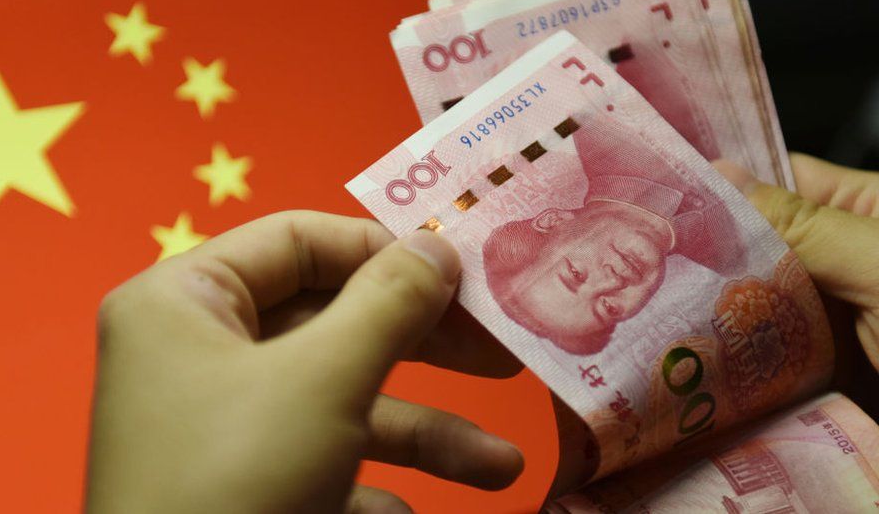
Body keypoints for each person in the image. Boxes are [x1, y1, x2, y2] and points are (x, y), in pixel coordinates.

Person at [86, 154, 879, 513]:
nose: (612, 288)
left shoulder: (606, 141)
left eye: (574, 279)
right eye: (607, 310)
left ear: (552, 220)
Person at [482, 121, 744, 355]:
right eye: (608, 307)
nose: (611, 281)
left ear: (554, 222)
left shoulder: (601, 127)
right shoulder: (732, 261)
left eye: (575, 273)